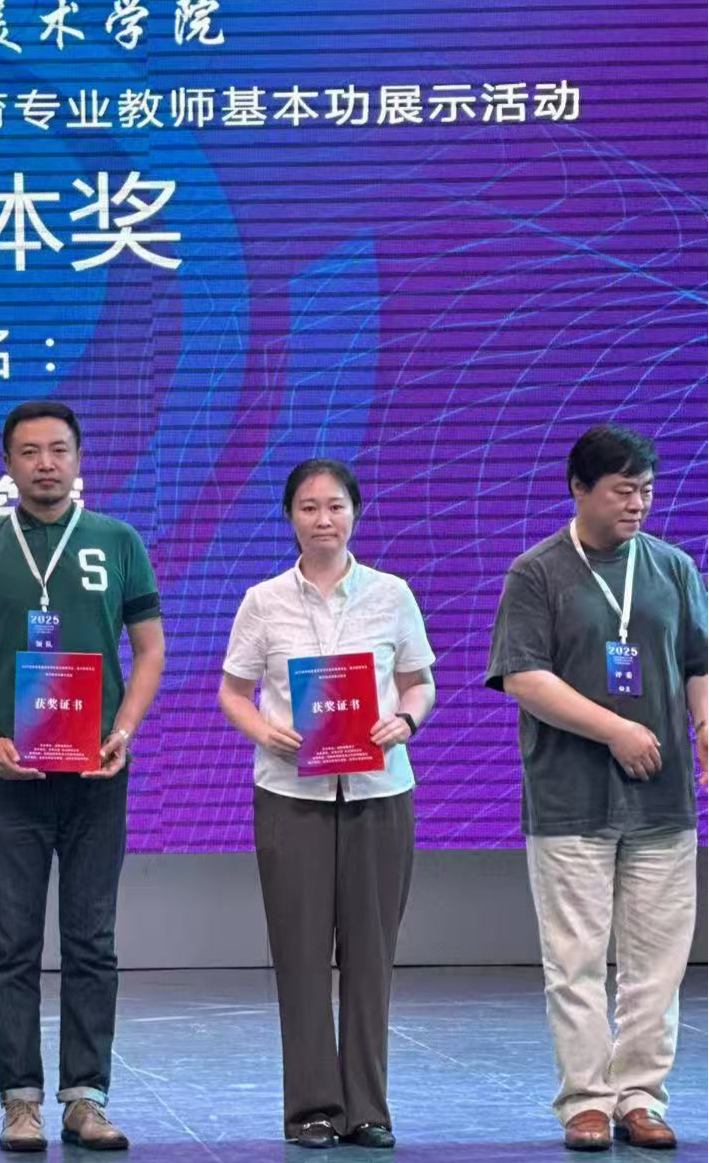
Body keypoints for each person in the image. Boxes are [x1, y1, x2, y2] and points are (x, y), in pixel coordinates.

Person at [0, 400, 166, 1153]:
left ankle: (86, 1098)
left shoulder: (118, 541)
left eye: (58, 449)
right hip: (9, 777)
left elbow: (150, 650)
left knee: (92, 940)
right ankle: (20, 1102)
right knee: (12, 945)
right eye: (29, 451)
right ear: (7, 463)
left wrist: (123, 731)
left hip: (98, 772)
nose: (45, 463)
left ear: (78, 457)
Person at [486, 424, 708, 1152]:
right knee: (575, 960)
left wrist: (705, 720)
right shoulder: (537, 572)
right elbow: (524, 677)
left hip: (662, 797)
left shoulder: (673, 567)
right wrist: (614, 729)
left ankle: (640, 1096)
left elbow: (698, 661)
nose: (638, 503)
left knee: (656, 964)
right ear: (579, 489)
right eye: (622, 490)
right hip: (569, 796)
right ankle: (585, 1099)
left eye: (646, 490)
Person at [217, 458, 436, 1151]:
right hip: (292, 796)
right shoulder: (263, 601)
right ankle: (312, 1106)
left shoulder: (392, 594)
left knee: (372, 957)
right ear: (290, 517)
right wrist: (266, 732)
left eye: (336, 506)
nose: (323, 519)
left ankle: (368, 1108)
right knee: (301, 956)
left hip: (379, 794)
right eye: (309, 507)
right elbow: (232, 692)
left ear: (355, 513)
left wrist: (405, 720)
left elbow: (419, 682)